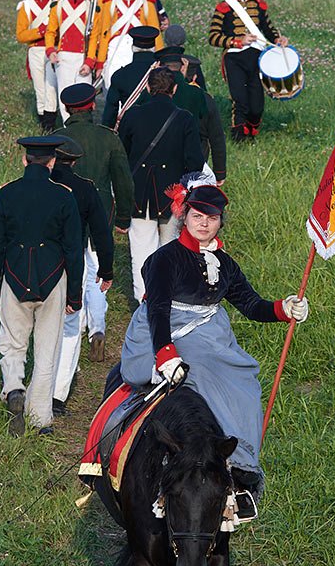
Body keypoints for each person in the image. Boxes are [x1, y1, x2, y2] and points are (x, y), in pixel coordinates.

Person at [119, 182, 309, 520]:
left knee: (246, 381)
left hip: (209, 331)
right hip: (164, 329)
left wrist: (284, 308)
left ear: (221, 222)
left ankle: (242, 470)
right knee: (204, 371)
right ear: (184, 217)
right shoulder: (164, 259)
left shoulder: (225, 263)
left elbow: (250, 304)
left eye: (212, 217)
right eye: (197, 216)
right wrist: (165, 354)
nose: (204, 223)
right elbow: (157, 310)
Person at [0, 136, 83, 436]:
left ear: (25, 160)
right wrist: (74, 296)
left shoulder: (6, 193)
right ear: (52, 163)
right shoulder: (64, 196)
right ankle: (40, 419)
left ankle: (14, 387)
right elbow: (73, 250)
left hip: (13, 277)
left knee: (12, 343)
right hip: (53, 279)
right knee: (46, 349)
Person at [54, 83, 134, 360]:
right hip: (101, 210)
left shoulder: (57, 137)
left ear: (66, 108)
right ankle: (97, 329)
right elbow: (123, 180)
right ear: (91, 107)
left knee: (72, 269)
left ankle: (73, 328)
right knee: (98, 272)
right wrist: (124, 216)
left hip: (64, 214)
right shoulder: (108, 137)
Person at [118, 67, 205, 303]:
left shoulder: (132, 115)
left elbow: (121, 157)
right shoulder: (185, 118)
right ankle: (169, 300)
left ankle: (143, 301)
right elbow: (195, 163)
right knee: (172, 250)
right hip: (173, 197)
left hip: (139, 194)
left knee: (141, 250)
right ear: (174, 89)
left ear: (148, 88)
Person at [49, 137, 114, 415]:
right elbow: (101, 232)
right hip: (72, 262)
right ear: (74, 161)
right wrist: (107, 269)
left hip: (36, 265)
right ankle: (57, 395)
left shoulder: (36, 186)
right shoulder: (85, 188)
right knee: (71, 327)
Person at [209, 0, 288, 143]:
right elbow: (213, 37)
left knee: (257, 104)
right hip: (234, 58)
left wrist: (278, 39)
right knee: (240, 100)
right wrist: (236, 41)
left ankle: (252, 129)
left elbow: (269, 29)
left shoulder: (259, 5)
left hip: (256, 57)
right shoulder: (224, 7)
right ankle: (238, 137)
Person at [16, 0, 58, 132]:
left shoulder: (57, 1)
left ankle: (52, 123)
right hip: (35, 51)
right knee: (40, 89)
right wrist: (42, 30)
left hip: (53, 49)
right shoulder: (25, 6)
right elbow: (21, 35)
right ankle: (44, 126)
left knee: (52, 89)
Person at [101, 25, 159, 129]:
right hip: (158, 129)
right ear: (154, 48)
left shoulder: (120, 75)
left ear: (132, 48)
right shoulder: (163, 74)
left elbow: (110, 114)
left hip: (130, 131)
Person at [184, 54, 227, 184]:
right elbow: (217, 137)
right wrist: (219, 173)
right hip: (198, 160)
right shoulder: (206, 99)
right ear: (195, 77)